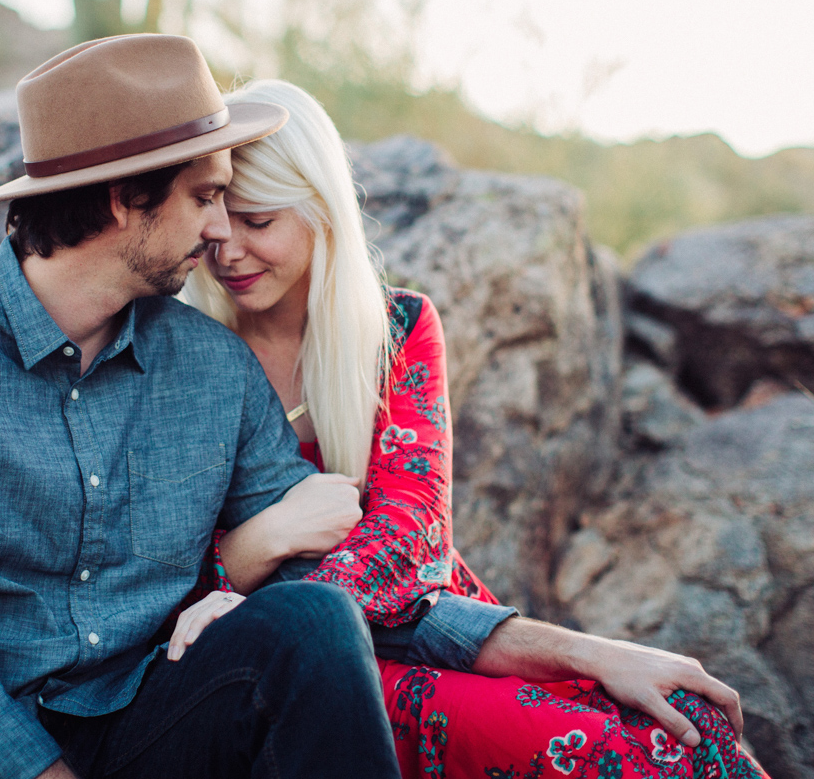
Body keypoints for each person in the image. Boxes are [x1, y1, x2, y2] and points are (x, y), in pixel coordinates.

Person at [0, 36, 403, 779]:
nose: (220, 233)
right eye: (206, 197)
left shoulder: (211, 365)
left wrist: (552, 650)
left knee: (312, 621)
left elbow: (319, 578)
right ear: (126, 198)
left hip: (129, 728)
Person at [174, 79, 770, 779]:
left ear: (321, 210)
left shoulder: (395, 332)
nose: (229, 251)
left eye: (259, 221)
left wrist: (586, 652)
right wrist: (263, 542)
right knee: (638, 756)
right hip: (311, 673)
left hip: (428, 626)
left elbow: (410, 531)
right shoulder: (185, 352)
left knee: (695, 734)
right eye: (219, 220)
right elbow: (160, 574)